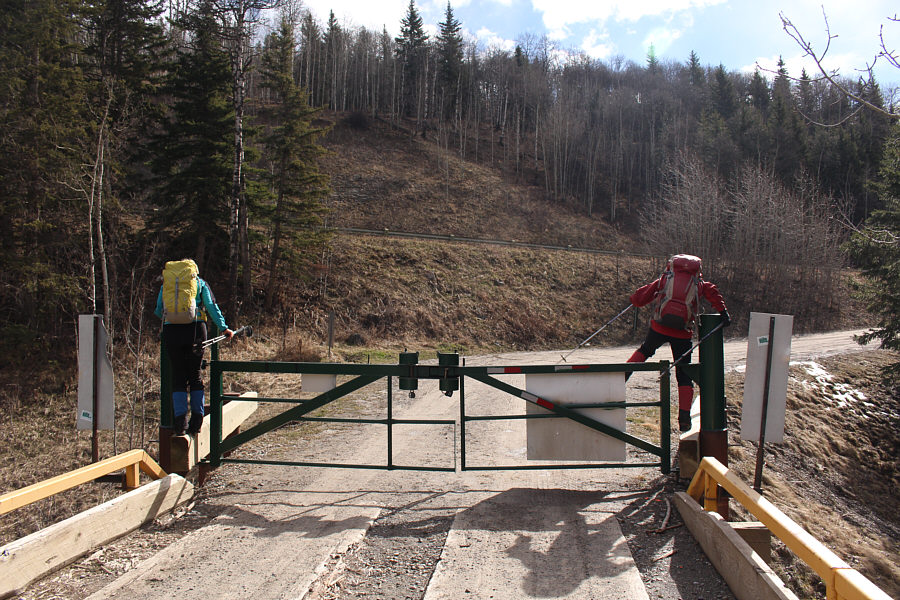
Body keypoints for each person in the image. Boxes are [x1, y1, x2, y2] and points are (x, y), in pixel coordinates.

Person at [625, 254, 730, 432]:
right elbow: (713, 293)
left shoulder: (666, 279)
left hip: (659, 327)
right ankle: (684, 418)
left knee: (645, 350)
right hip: (682, 332)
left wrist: (634, 299)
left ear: (672, 265)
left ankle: (623, 376)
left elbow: (640, 298)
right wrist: (724, 312)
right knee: (683, 372)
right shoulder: (699, 284)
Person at [155, 259, 233, 436]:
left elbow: (159, 309)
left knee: (178, 376)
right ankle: (197, 419)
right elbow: (211, 306)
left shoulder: (167, 284)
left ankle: (179, 422)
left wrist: (174, 318)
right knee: (195, 375)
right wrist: (223, 328)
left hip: (171, 331)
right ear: (193, 270)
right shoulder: (199, 283)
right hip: (195, 330)